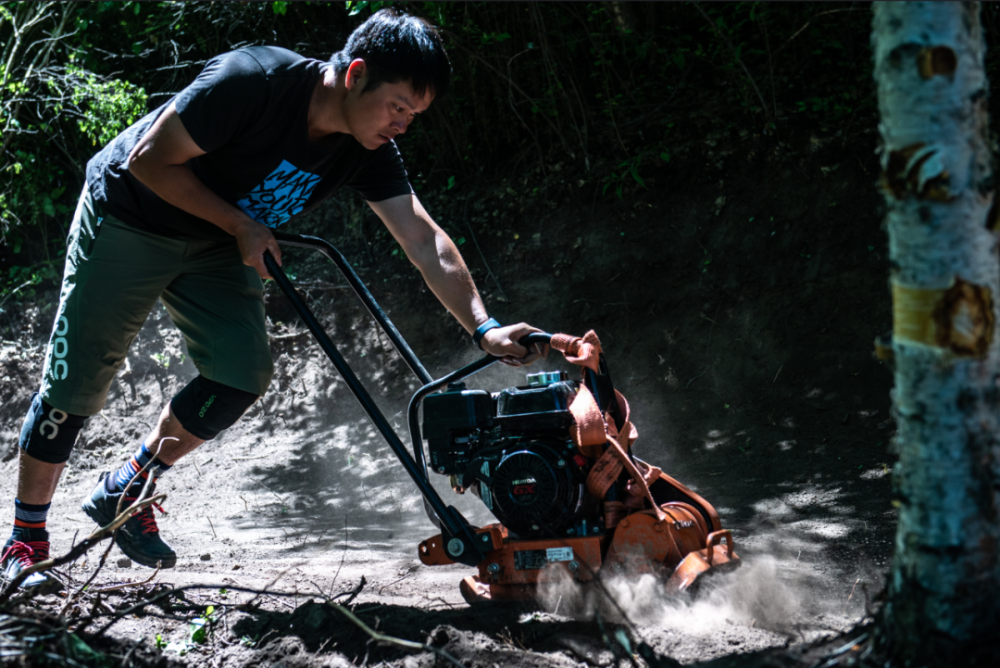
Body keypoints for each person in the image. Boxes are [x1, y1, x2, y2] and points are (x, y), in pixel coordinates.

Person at [3, 9, 545, 592]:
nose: (403, 125)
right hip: (130, 213)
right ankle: (25, 543)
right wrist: (240, 223)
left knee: (240, 373)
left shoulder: (366, 148)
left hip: (217, 238)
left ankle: (125, 489)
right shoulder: (251, 81)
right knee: (77, 381)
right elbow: (148, 160)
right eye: (399, 107)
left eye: (414, 116)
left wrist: (483, 328)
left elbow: (422, 238)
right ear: (356, 74)